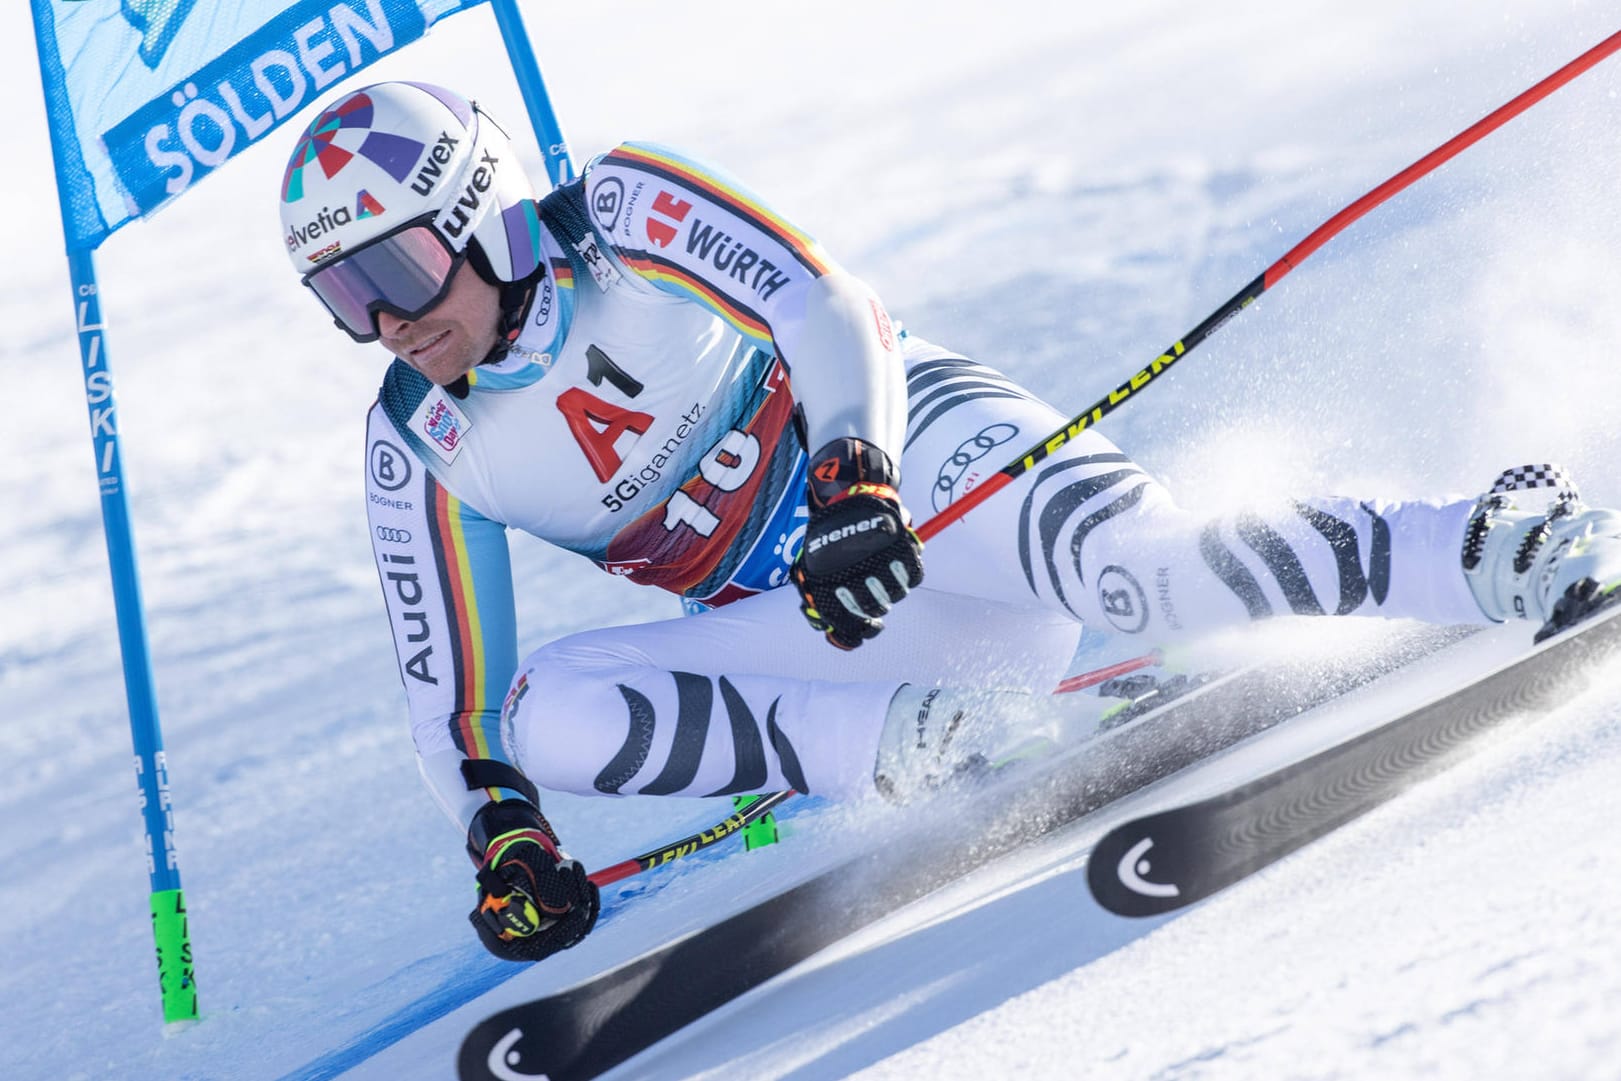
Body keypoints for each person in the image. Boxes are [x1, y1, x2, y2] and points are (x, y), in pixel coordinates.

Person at [277, 81, 1621, 963]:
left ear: (477, 211)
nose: (393, 322)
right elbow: (448, 706)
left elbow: (821, 301)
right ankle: (926, 751)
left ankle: (1479, 543)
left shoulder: (622, 211)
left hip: (923, 476)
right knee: (540, 711)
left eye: (396, 267)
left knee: (1137, 570)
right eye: (348, 300)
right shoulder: (418, 440)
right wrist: (504, 838)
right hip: (832, 624)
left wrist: (852, 468)